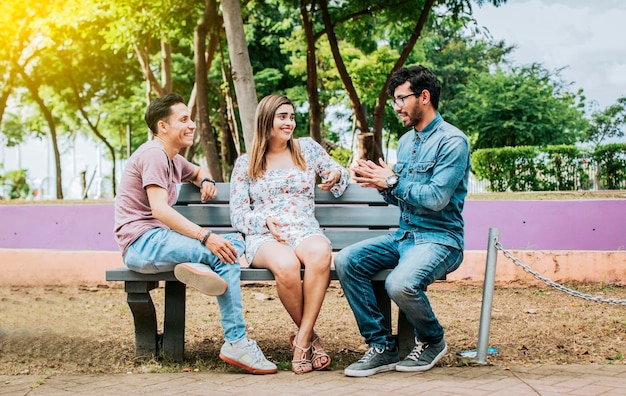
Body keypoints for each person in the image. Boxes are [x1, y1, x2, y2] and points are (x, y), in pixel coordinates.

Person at [113, 93, 277, 375]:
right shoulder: (153, 154)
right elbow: (160, 210)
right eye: (183, 119)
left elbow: (196, 171)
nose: (191, 125)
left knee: (232, 244)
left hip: (158, 242)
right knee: (226, 252)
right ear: (162, 126)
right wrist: (206, 237)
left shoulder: (173, 159)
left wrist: (206, 180)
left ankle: (197, 266)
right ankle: (236, 342)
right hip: (143, 242)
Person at [334, 65, 471, 377]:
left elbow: (436, 198)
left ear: (423, 97)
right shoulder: (407, 141)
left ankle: (433, 340)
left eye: (400, 99)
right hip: (405, 235)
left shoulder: (453, 142)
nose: (396, 107)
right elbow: (402, 194)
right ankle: (382, 346)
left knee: (400, 283)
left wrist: (392, 181)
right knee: (347, 261)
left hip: (440, 239)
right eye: (394, 101)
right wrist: (379, 184)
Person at [229, 94, 349, 374]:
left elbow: (338, 170)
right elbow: (238, 214)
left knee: (320, 254)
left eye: (292, 117)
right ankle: (312, 339)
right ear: (266, 120)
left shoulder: (306, 148)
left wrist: (333, 173)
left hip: (304, 228)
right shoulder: (246, 163)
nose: (290, 122)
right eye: (282, 117)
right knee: (287, 265)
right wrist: (263, 221)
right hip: (266, 236)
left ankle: (302, 339)